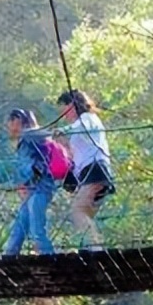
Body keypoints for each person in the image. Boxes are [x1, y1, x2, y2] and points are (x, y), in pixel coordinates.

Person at [55, 91, 114, 250]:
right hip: (87, 173)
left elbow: (81, 128)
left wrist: (63, 130)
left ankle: (96, 249)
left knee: (78, 211)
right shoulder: (77, 127)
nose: (63, 115)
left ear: (73, 106)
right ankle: (90, 247)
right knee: (85, 214)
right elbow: (77, 154)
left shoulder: (88, 118)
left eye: (65, 110)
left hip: (95, 170)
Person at [4, 108, 59, 255]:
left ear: (17, 121)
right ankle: (8, 257)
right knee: (21, 226)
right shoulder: (26, 140)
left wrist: (29, 182)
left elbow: (37, 163)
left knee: (37, 231)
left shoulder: (29, 135)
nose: (9, 126)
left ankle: (51, 262)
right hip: (34, 188)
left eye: (10, 121)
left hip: (39, 188)